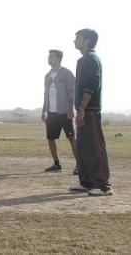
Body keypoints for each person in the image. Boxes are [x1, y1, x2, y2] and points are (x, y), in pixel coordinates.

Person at [69, 29, 112, 196]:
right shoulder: (82, 60)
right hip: (82, 109)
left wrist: (82, 109)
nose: (74, 41)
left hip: (90, 110)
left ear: (87, 41)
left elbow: (91, 85)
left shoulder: (91, 58)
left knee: (94, 147)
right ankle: (86, 182)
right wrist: (77, 108)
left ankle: (103, 186)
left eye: (78, 38)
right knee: (82, 147)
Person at [41, 49, 78, 173]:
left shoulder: (67, 73)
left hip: (65, 112)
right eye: (49, 56)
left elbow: (72, 92)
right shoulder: (47, 76)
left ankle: (80, 165)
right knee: (51, 138)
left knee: (72, 138)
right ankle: (57, 164)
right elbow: (46, 94)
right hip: (51, 113)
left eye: (51, 56)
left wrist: (70, 109)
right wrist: (44, 111)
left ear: (58, 58)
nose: (49, 58)